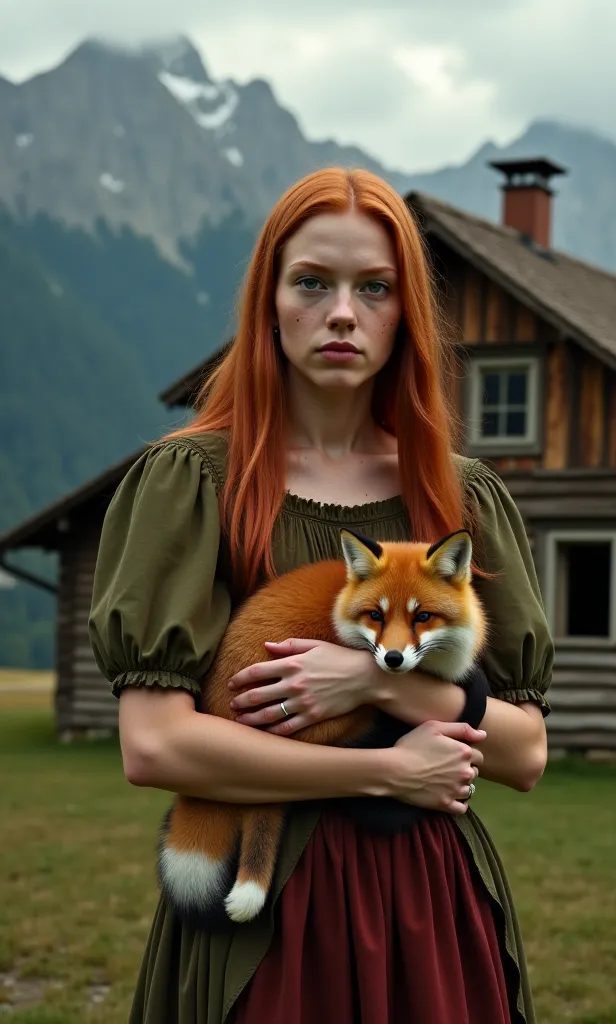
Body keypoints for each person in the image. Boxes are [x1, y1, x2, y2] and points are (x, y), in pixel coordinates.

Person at [89, 167, 554, 1024]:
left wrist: (376, 683)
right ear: (269, 300)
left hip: (428, 908)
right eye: (312, 282)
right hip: (262, 917)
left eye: (374, 287)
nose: (342, 312)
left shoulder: (461, 499)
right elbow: (154, 748)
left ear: (405, 311)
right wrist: (382, 770)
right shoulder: (192, 482)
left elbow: (524, 753)